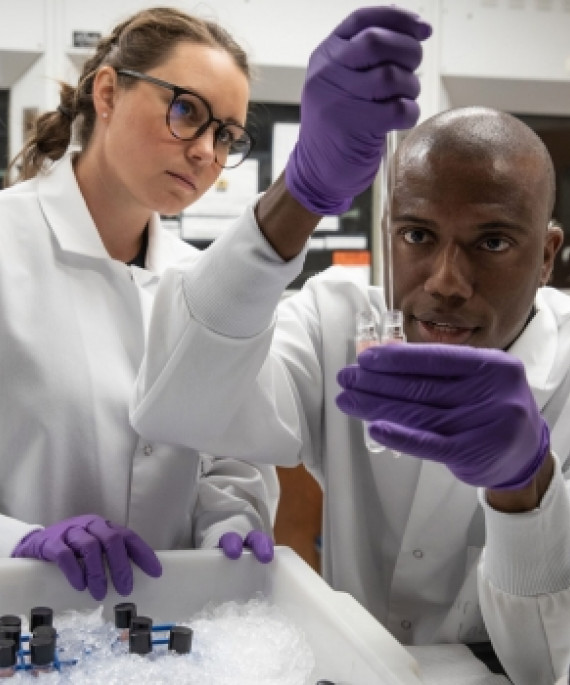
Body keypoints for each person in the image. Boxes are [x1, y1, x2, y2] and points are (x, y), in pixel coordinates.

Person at [130, 7, 570, 685]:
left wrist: (528, 488)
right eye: (419, 235)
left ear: (546, 256)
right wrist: (301, 191)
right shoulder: (340, 319)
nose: (446, 284)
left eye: (492, 241)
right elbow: (175, 406)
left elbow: (549, 665)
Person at [0, 6, 277, 603]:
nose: (206, 151)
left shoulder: (203, 280)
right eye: (186, 111)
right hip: (16, 618)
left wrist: (231, 522)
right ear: (108, 93)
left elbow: (228, 458)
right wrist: (17, 541)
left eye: (225, 134)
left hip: (167, 627)